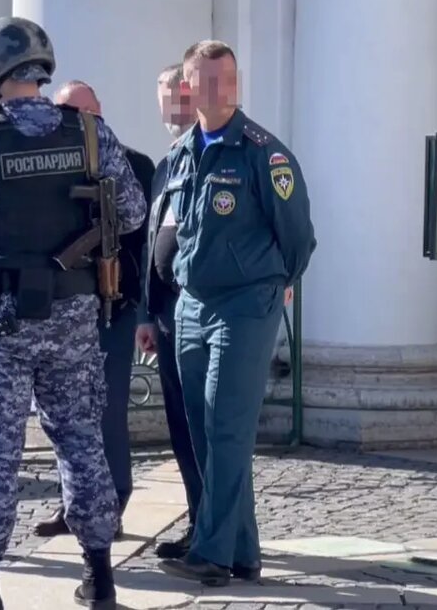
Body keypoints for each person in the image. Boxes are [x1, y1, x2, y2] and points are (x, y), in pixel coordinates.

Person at [0, 16, 146, 609]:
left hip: (2, 322)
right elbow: (136, 212)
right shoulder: (90, 132)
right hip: (74, 317)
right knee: (81, 443)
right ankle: (100, 577)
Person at [158, 41, 315, 586]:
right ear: (189, 88)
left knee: (227, 427)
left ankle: (212, 552)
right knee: (203, 429)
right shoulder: (182, 153)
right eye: (207, 80)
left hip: (246, 305)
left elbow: (298, 238)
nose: (221, 89)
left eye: (229, 79)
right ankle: (244, 550)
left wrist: (276, 285)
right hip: (193, 304)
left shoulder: (262, 153)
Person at [32, 80, 156, 540]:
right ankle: (73, 504)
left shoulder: (134, 165)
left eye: (85, 112)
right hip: (62, 309)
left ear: (100, 112)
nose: (77, 121)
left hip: (112, 308)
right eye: (67, 112)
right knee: (63, 412)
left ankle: (114, 502)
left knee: (107, 410)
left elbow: (144, 245)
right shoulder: (48, 166)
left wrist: (144, 312)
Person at [136, 63, 203, 559]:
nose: (169, 106)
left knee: (205, 427)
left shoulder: (212, 154)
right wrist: (146, 312)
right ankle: (200, 519)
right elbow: (151, 241)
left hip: (200, 313)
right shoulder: (167, 162)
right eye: (163, 96)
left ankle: (216, 529)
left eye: (176, 94)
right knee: (181, 426)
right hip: (165, 315)